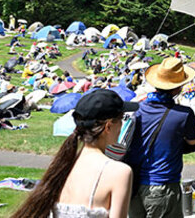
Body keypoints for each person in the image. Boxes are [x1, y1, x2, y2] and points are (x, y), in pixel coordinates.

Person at [13, 89, 136, 218]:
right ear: (108, 126)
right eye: (121, 120)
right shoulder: (119, 172)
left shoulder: (64, 164)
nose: (122, 125)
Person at [126, 58, 195, 218]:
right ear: (178, 87)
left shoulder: (137, 109)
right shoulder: (183, 114)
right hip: (163, 184)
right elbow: (193, 143)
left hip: (133, 185)